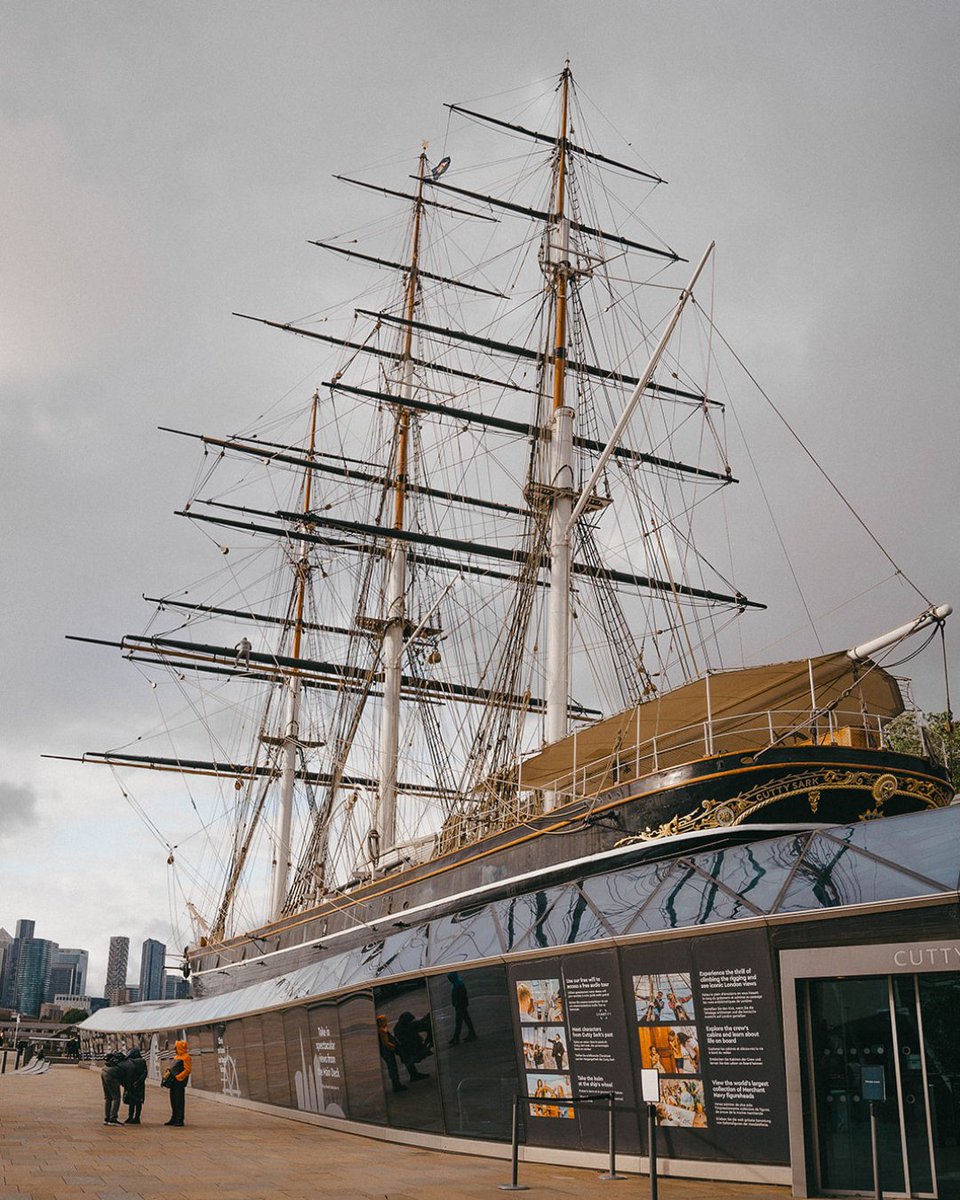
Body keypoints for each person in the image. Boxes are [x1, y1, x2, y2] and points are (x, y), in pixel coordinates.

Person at [163, 1040, 192, 1126]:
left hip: (179, 1082)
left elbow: (187, 1070)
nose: (175, 1049)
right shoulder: (176, 1057)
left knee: (179, 1100)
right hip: (173, 1082)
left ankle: (180, 1119)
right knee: (173, 1099)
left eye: (176, 1047)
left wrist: (179, 1077)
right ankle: (174, 1117)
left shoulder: (186, 1057)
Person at [376, 1015, 406, 1093]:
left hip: (385, 1051)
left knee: (392, 1067)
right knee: (392, 1067)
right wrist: (394, 1046)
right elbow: (386, 1043)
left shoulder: (380, 1030)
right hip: (387, 1051)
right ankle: (396, 1085)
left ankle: (396, 1084)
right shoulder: (382, 1031)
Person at [447, 972, 477, 1045]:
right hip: (461, 1005)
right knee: (466, 1020)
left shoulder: (458, 985)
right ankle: (471, 1034)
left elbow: (460, 996)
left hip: (460, 1006)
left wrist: (457, 1004)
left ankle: (456, 1038)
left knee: (459, 1022)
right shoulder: (458, 983)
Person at [120, 1047, 148, 1124]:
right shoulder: (143, 1061)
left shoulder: (129, 1062)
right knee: (138, 1102)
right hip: (140, 1085)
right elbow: (144, 1073)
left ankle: (130, 1117)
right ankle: (137, 1118)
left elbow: (128, 1073)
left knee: (131, 1101)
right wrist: (139, 1082)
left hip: (131, 1083)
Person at [101, 1051, 125, 1126]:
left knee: (108, 1097)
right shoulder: (121, 1064)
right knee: (116, 1098)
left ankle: (107, 1118)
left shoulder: (111, 1062)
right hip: (111, 1076)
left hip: (104, 1072)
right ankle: (113, 1119)